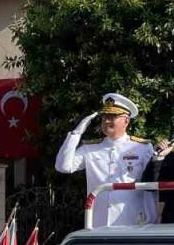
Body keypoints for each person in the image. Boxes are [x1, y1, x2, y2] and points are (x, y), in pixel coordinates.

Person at [55, 93, 158, 228]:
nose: (106, 121)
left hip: (131, 221)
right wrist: (75, 134)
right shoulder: (90, 148)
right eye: (104, 117)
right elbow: (63, 166)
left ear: (126, 121)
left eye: (112, 117)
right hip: (99, 223)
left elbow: (151, 185)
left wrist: (152, 218)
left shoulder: (142, 148)